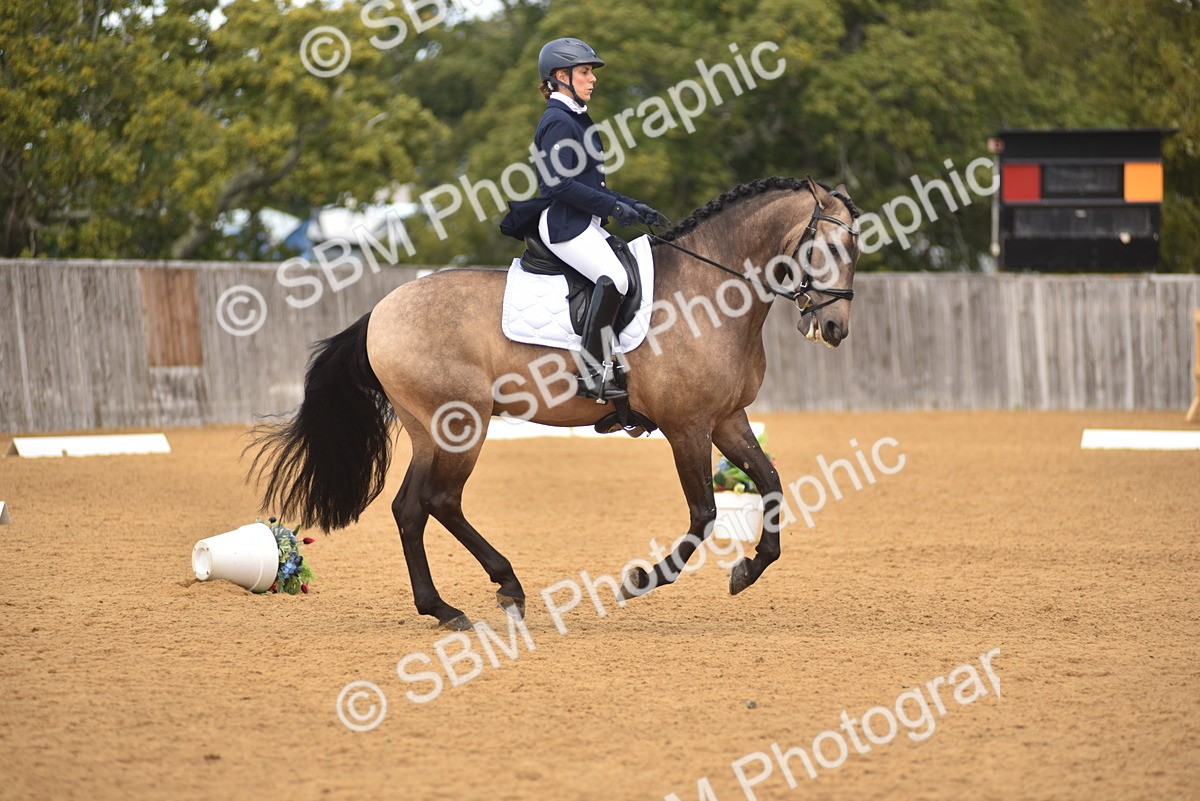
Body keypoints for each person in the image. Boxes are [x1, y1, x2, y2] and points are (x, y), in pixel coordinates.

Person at [529, 37, 660, 402]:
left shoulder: (576, 117)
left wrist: (631, 203)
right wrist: (613, 208)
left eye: (590, 72)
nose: (592, 78)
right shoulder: (557, 121)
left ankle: (616, 358)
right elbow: (557, 185)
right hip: (563, 225)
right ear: (561, 76)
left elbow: (590, 184)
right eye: (585, 71)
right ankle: (590, 373)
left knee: (632, 270)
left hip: (583, 223)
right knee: (615, 277)